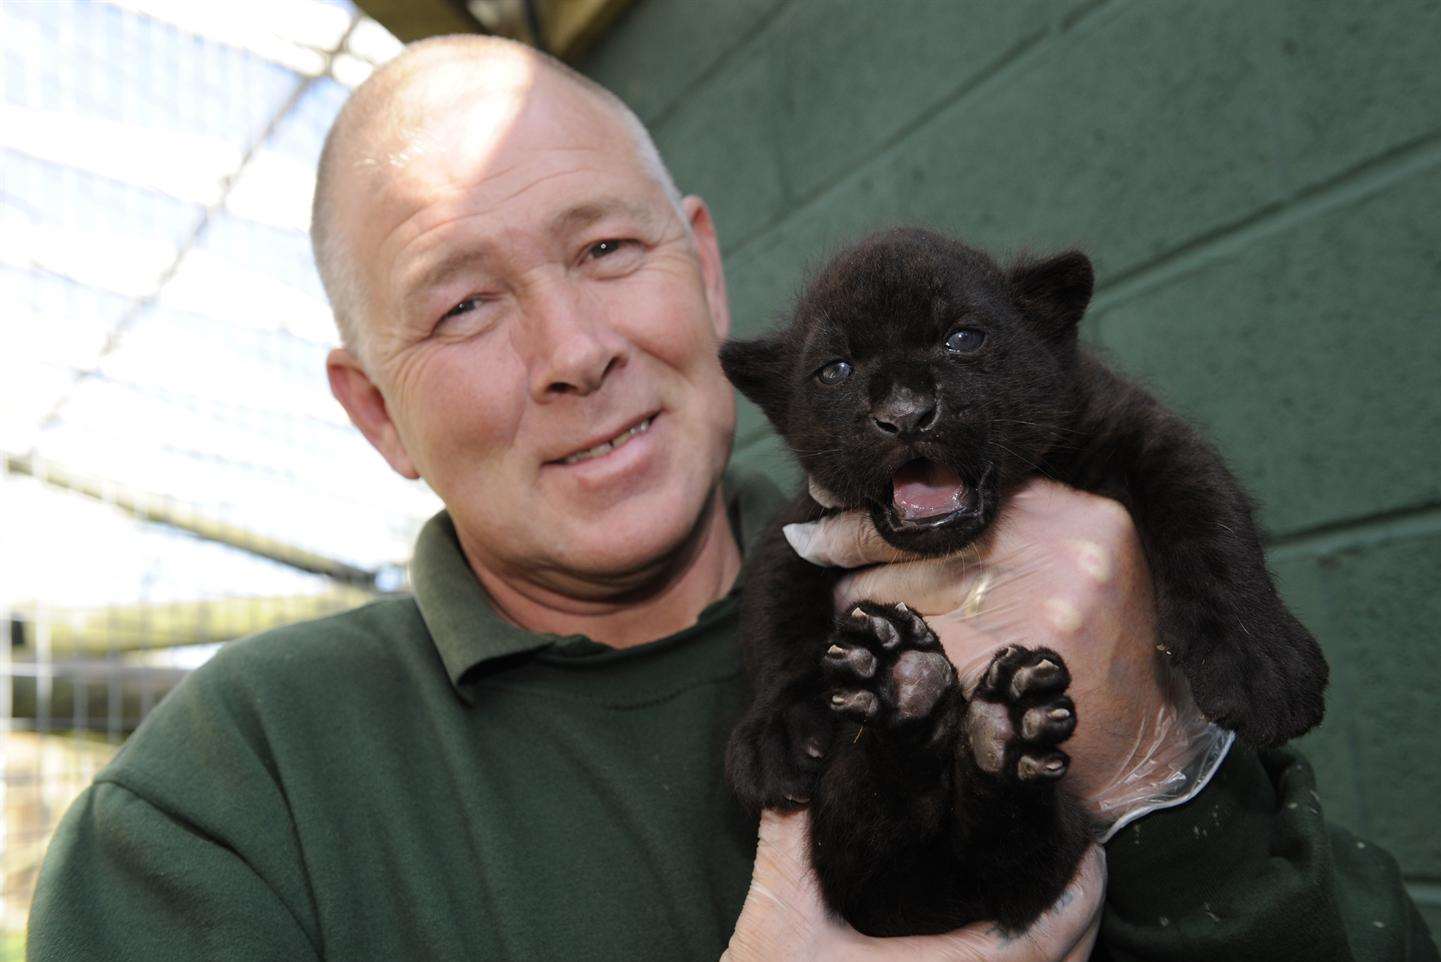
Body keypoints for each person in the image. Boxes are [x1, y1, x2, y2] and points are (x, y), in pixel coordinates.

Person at [26, 34, 1436, 962]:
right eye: (463, 306)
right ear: (374, 408)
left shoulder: (1042, 562)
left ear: (702, 270)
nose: (575, 350)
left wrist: (1155, 774)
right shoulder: (219, 802)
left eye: (605, 244)